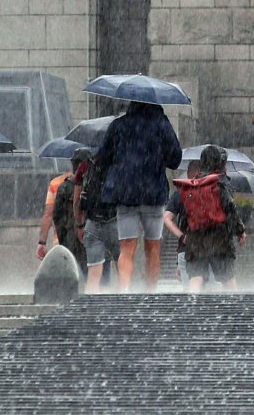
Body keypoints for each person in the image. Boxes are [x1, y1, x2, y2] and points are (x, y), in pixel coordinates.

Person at [97, 102, 183, 292]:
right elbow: (175, 159)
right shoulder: (161, 124)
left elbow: (102, 159)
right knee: (153, 247)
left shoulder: (118, 125)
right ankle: (150, 293)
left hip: (125, 194)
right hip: (154, 195)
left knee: (127, 247)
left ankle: (124, 290)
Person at [176, 146, 246, 293]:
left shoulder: (192, 185)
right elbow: (230, 210)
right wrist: (240, 231)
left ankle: (192, 306)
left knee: (196, 277)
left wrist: (184, 237)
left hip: (196, 237)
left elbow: (184, 215)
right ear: (220, 163)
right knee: (228, 278)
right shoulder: (220, 184)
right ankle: (234, 308)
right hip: (219, 238)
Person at [74, 150, 119, 294]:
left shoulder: (85, 166)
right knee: (123, 266)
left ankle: (90, 308)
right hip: (115, 222)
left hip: (92, 223)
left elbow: (77, 201)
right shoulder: (118, 163)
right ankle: (127, 303)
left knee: (93, 272)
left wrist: (80, 225)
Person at [51, 148, 92, 275]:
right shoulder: (95, 184)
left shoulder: (64, 187)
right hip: (92, 233)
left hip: (71, 235)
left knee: (74, 271)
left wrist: (63, 239)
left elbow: (57, 216)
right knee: (94, 271)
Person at [163, 160, 201, 290]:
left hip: (186, 248)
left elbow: (166, 218)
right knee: (211, 294)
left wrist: (181, 236)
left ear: (189, 173)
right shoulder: (212, 191)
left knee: (190, 294)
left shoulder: (181, 192)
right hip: (208, 249)